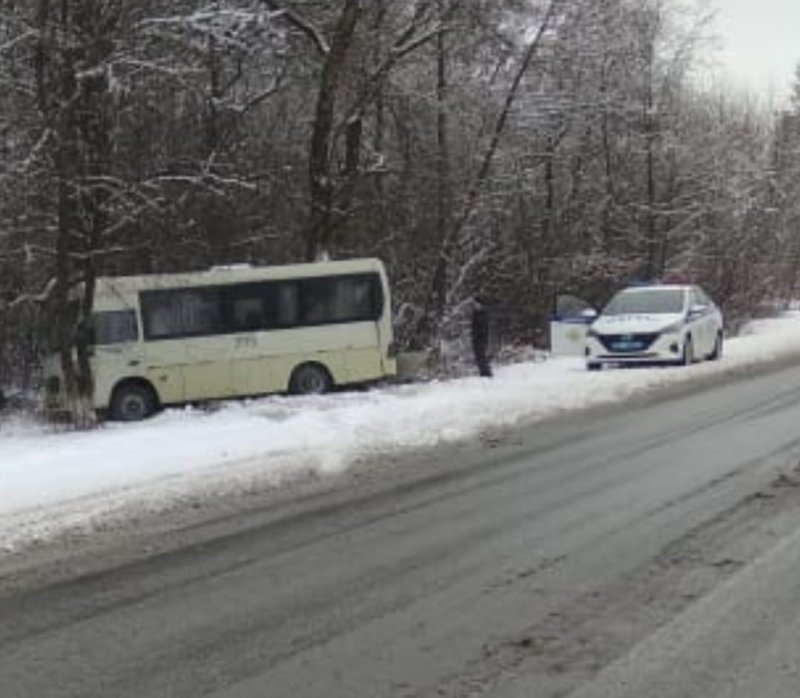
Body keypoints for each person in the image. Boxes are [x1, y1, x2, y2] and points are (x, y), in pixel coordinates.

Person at [470, 296, 492, 378]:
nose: (475, 305)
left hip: (482, 339)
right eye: (474, 304)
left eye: (477, 304)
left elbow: (484, 327)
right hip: (476, 339)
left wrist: (479, 336)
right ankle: (483, 373)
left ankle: (486, 373)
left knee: (481, 356)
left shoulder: (483, 314)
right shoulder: (475, 313)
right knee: (478, 357)